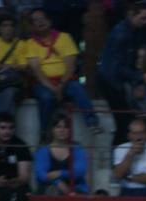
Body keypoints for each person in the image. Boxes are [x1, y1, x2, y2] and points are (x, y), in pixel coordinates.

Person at [24, 8, 102, 139]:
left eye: (42, 18)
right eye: (35, 20)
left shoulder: (64, 38)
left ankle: (92, 123)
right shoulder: (30, 43)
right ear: (32, 26)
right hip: (43, 83)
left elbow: (70, 66)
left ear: (50, 21)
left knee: (78, 88)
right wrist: (53, 88)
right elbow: (37, 71)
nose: (40, 22)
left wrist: (60, 85)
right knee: (46, 97)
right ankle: (45, 133)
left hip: (65, 80)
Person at [99, 2, 146, 144]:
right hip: (112, 83)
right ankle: (117, 155)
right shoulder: (121, 35)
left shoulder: (133, 31)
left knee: (125, 123)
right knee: (124, 123)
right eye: (143, 18)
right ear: (132, 15)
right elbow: (117, 68)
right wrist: (140, 76)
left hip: (118, 82)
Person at [0, 14, 27, 120]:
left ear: (15, 29)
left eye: (11, 26)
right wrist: (12, 66)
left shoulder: (21, 44)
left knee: (9, 92)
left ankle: (0, 125)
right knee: (8, 94)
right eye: (5, 25)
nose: (8, 29)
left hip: (16, 84)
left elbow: (23, 67)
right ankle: (6, 125)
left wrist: (2, 66)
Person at [35, 115, 90, 196]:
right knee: (52, 190)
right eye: (58, 127)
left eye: (66, 127)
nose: (62, 130)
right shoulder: (43, 151)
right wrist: (57, 182)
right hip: (51, 188)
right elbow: (41, 175)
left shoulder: (77, 149)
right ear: (52, 129)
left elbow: (79, 172)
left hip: (77, 189)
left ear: (70, 130)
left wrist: (59, 173)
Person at [112, 117, 146, 197]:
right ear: (129, 135)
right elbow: (118, 175)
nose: (139, 137)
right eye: (135, 133)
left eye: (142, 133)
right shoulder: (120, 149)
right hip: (127, 190)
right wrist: (131, 153)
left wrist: (129, 177)